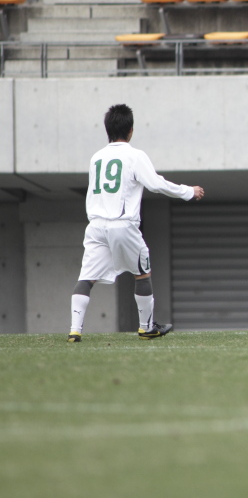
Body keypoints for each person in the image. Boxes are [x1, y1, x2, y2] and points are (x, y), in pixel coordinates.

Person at [68, 104, 205, 342]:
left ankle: (74, 330)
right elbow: (156, 184)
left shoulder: (96, 157)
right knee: (142, 273)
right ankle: (146, 327)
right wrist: (188, 191)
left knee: (86, 278)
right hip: (123, 224)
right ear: (130, 130)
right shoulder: (134, 155)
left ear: (107, 129)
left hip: (96, 225)